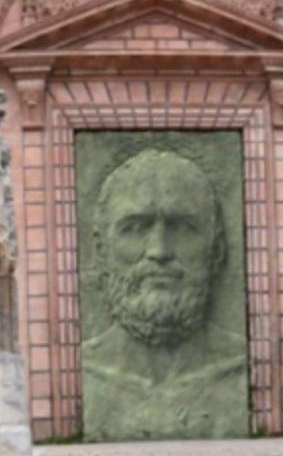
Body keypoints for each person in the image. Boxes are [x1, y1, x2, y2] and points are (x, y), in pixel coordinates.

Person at [81, 150, 249, 441]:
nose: (159, 250)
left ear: (217, 248)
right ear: (100, 249)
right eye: (134, 228)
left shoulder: (239, 362)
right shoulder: (84, 370)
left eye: (183, 228)